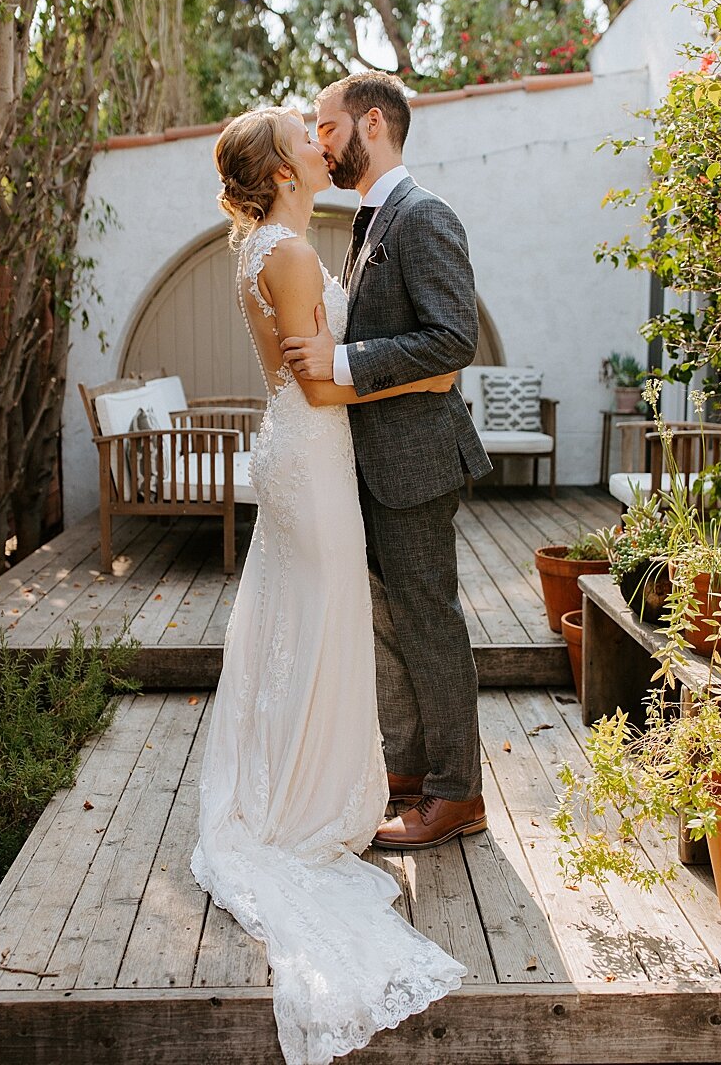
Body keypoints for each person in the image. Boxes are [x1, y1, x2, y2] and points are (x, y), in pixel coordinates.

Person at [193, 105, 466, 1065]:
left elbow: (311, 368)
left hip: (300, 455)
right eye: (302, 135)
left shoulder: (270, 245)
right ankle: (305, 797)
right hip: (315, 452)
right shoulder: (296, 254)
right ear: (277, 169)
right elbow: (316, 382)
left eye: (325, 125)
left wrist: (380, 374)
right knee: (323, 622)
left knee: (301, 624)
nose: (320, 139)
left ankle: (291, 782)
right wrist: (404, 380)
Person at [280, 71, 493, 850]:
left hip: (415, 464)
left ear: (372, 124)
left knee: (428, 624)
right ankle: (407, 771)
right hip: (367, 462)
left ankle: (456, 793)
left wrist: (342, 362)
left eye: (326, 126)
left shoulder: (422, 215)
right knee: (386, 624)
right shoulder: (368, 220)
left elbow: (453, 338)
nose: (318, 140)